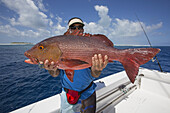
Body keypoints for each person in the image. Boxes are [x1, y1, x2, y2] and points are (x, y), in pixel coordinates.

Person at [41, 17, 109, 113]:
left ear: (83, 29)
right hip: (69, 96)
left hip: (89, 92)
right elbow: (55, 74)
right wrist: (51, 69)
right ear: (69, 30)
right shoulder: (59, 45)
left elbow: (95, 74)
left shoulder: (90, 43)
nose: (77, 30)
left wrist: (98, 69)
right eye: (73, 27)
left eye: (80, 27)